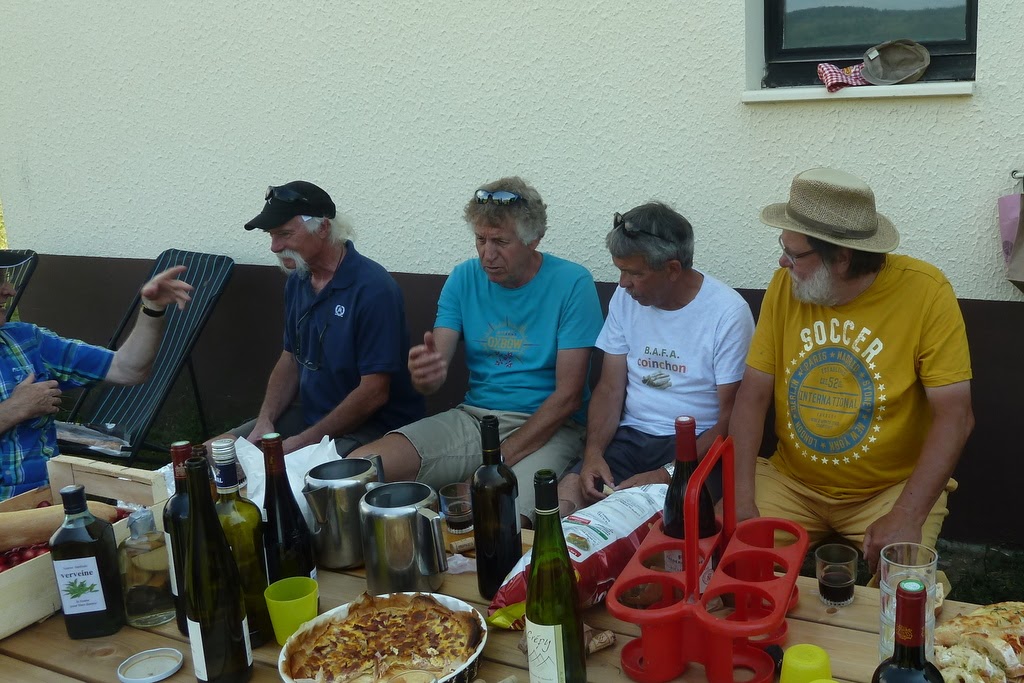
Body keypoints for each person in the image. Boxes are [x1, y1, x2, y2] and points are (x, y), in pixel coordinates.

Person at [730, 167, 974, 572]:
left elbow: (956, 415)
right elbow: (752, 397)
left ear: (842, 258)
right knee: (730, 564)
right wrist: (741, 500)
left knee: (906, 587)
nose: (782, 260)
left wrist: (907, 514)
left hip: (889, 490)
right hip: (791, 483)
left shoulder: (926, 292)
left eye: (794, 253)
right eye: (783, 247)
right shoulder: (783, 286)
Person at [348, 176, 604, 524]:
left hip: (551, 426)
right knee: (360, 471)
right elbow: (434, 373)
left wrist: (493, 463)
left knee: (498, 520)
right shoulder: (463, 277)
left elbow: (569, 398)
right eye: (480, 239)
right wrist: (426, 376)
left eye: (500, 241)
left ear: (534, 240)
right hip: (474, 419)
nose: (487, 254)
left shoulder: (572, 282)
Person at [557, 202, 754, 512]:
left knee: (657, 514)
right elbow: (609, 389)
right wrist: (593, 453)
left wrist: (668, 474)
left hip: (697, 444)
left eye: (634, 273)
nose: (622, 283)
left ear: (672, 269)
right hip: (631, 437)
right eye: (620, 270)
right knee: (567, 496)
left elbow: (732, 416)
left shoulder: (727, 312)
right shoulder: (626, 298)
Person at [228, 181, 423, 455]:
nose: (274, 246)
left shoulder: (373, 289)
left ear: (322, 228)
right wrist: (265, 421)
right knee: (220, 451)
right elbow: (290, 359)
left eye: (284, 234)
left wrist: (303, 442)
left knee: (289, 472)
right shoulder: (298, 279)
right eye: (271, 235)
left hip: (373, 428)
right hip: (313, 420)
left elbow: (374, 393)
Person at [0, 268, 193, 501]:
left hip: (46, 502)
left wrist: (152, 309)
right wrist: (14, 409)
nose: (9, 291)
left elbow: (127, 369)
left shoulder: (25, 340)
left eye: (5, 280)